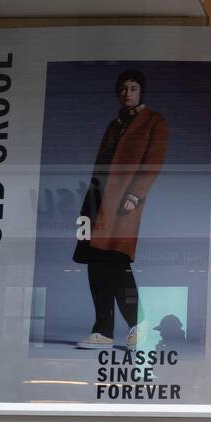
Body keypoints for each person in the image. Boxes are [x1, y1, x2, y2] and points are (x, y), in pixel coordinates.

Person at [73, 69, 168, 350]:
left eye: (134, 88)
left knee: (116, 263)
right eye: (124, 88)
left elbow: (153, 162)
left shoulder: (154, 121)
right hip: (97, 201)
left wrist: (136, 195)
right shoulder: (115, 124)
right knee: (95, 263)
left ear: (142, 92)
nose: (128, 93)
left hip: (124, 202)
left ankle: (139, 325)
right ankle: (103, 330)